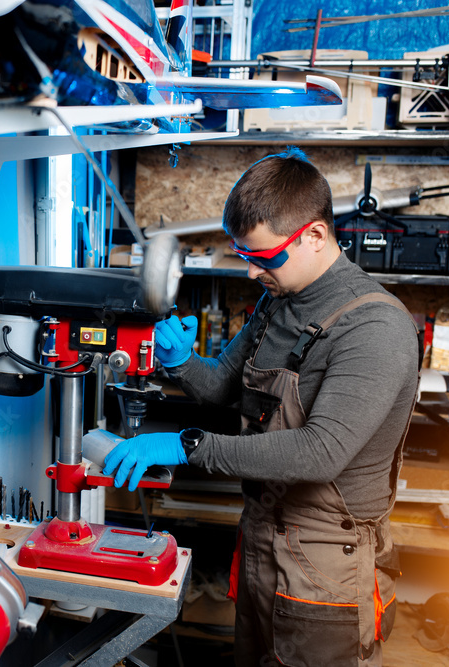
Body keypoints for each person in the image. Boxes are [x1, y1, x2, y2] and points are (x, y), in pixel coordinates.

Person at [103, 148, 420, 667]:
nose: (251, 273)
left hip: (326, 563)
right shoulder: (278, 301)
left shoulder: (375, 328)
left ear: (315, 236)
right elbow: (221, 387)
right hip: (261, 538)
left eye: (264, 257)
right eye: (244, 256)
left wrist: (189, 446)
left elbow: (321, 453)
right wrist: (182, 361)